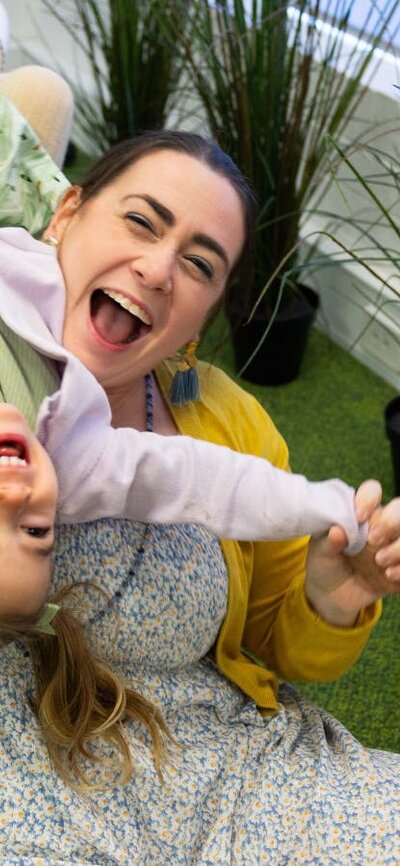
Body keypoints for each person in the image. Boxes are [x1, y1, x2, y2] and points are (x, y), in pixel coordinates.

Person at [1, 122, 400, 864]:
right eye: (141, 221)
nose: (158, 269)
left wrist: (331, 598)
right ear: (66, 214)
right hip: (31, 789)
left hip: (229, 771)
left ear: (209, 309)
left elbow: (273, 645)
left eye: (200, 263)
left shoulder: (233, 427)